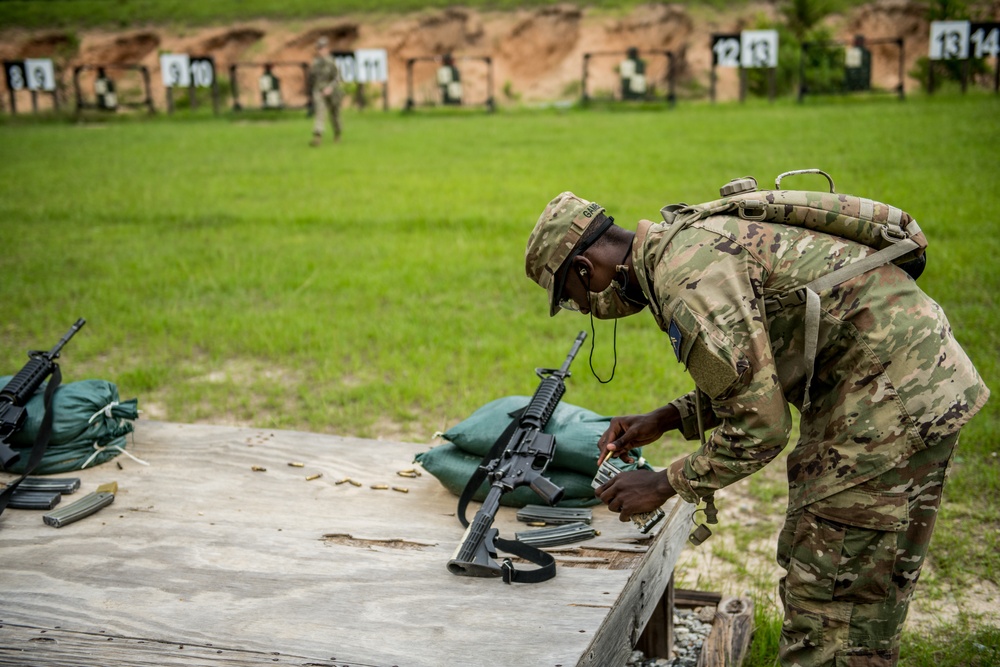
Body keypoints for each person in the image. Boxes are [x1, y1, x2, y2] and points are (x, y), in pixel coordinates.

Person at [523, 189, 989, 666]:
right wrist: (665, 419)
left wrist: (663, 483)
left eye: (575, 299)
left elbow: (761, 429)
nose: (588, 309)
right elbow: (755, 372)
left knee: (830, 606)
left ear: (584, 268)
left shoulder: (687, 279)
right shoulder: (683, 243)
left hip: (884, 403)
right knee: (861, 594)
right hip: (912, 380)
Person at [309, 37, 343, 146]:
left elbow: (337, 78)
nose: (321, 51)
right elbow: (312, 78)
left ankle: (337, 133)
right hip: (319, 91)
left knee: (335, 115)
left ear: (327, 49)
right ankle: (317, 137)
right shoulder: (315, 63)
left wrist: (330, 88)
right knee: (320, 112)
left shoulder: (332, 62)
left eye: (323, 48)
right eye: (319, 48)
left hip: (332, 91)